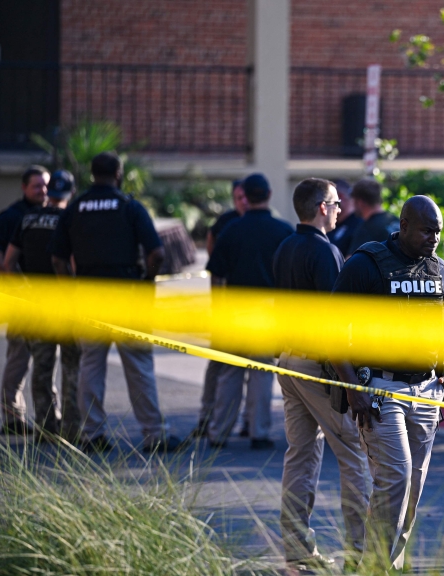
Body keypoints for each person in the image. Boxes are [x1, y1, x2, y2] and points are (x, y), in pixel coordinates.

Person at [331, 195, 444, 572]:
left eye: (438, 232)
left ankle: (389, 562)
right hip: (380, 390)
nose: (434, 238)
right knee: (396, 476)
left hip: (427, 391)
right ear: (403, 226)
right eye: (426, 231)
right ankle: (374, 567)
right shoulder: (366, 264)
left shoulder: (441, 271)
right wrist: (352, 387)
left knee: (413, 486)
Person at [272, 178, 372, 573]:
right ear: (320, 208)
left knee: (300, 455)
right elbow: (336, 323)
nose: (340, 209)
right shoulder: (326, 251)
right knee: (354, 453)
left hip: (287, 360)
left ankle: (298, 548)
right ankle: (360, 552)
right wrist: (351, 381)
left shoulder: (285, 246)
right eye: (335, 203)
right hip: (317, 367)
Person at [50, 152, 180, 453]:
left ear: (92, 175)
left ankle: (92, 434)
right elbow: (157, 253)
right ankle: (154, 435)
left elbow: (57, 259)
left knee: (90, 366)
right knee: (139, 366)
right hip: (127, 297)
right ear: (118, 174)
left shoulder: (75, 208)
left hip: (88, 297)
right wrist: (147, 281)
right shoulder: (130, 207)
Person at [206, 173, 293, 449]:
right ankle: (259, 431)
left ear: (246, 195)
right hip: (268, 310)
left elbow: (216, 273)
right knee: (261, 371)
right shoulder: (283, 230)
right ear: (268, 194)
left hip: (234, 308)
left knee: (230, 371)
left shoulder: (232, 229)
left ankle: (219, 432)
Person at [3, 170, 82, 442]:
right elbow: (71, 263)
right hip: (66, 307)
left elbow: (8, 263)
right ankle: (71, 429)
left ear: (50, 192)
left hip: (35, 306)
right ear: (72, 192)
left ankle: (45, 428)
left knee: (41, 369)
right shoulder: (71, 220)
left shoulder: (27, 219)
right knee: (72, 368)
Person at [0, 165, 49, 435]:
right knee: (19, 359)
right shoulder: (12, 216)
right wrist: (12, 279)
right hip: (22, 300)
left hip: (47, 299)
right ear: (23, 188)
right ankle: (13, 418)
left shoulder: (50, 213)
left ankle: (48, 418)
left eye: (45, 185)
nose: (43, 190)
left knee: (45, 361)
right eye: (37, 186)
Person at [191, 179, 249, 441]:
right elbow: (214, 260)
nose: (243, 202)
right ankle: (206, 418)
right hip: (226, 309)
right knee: (218, 367)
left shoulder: (261, 221)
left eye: (246, 196)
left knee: (250, 371)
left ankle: (248, 422)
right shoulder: (226, 223)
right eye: (238, 197)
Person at [345, 178, 398, 253]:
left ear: (360, 202)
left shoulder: (366, 229)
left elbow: (351, 259)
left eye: (353, 201)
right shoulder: (396, 221)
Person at [326, 179, 363, 258]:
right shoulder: (330, 224)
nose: (325, 206)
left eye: (327, 201)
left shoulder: (359, 225)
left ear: (340, 197)